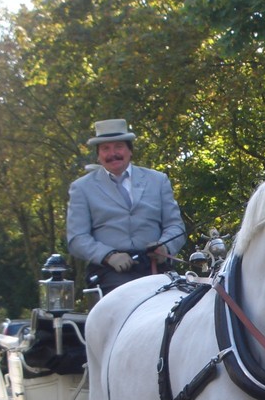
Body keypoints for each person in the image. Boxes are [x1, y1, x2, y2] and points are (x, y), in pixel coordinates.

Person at [66, 118, 187, 294]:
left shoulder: (158, 180)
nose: (112, 154)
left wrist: (164, 247)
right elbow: (77, 238)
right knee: (132, 296)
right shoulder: (82, 188)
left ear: (130, 150)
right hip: (109, 272)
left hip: (156, 267)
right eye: (105, 149)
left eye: (118, 147)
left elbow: (176, 226)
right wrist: (108, 256)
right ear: (98, 155)